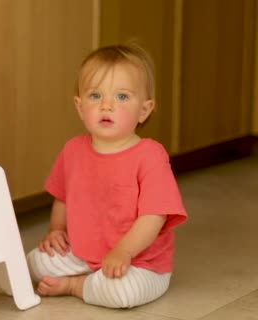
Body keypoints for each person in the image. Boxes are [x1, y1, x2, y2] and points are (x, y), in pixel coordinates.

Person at [25, 43, 187, 308]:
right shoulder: (73, 150)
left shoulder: (150, 156)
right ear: (80, 107)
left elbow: (154, 216)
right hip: (83, 253)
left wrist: (124, 251)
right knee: (36, 262)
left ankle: (76, 285)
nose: (107, 106)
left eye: (122, 97)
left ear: (144, 110)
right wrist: (56, 230)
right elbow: (63, 198)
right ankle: (91, 276)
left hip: (140, 262)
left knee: (122, 293)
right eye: (95, 96)